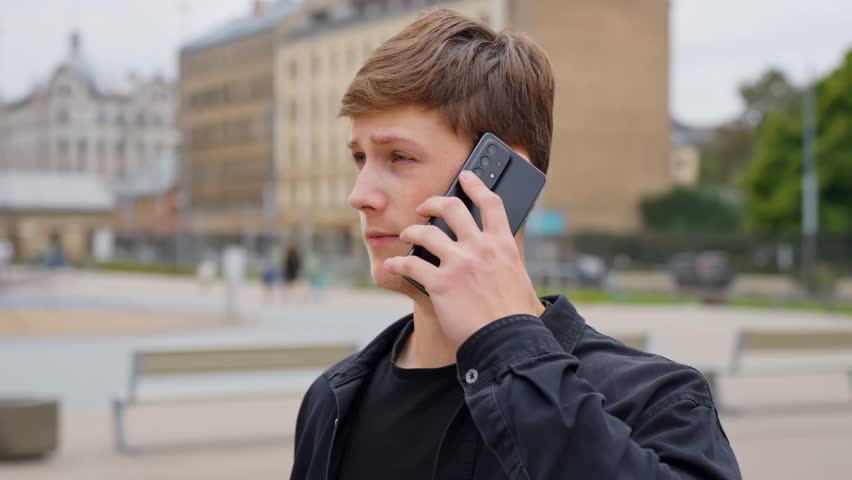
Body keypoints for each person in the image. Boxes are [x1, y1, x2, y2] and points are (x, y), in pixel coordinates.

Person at [291, 9, 740, 480]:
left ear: (501, 176)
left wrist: (506, 343)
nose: (359, 195)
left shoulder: (655, 401)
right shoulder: (335, 402)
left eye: (398, 157)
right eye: (360, 158)